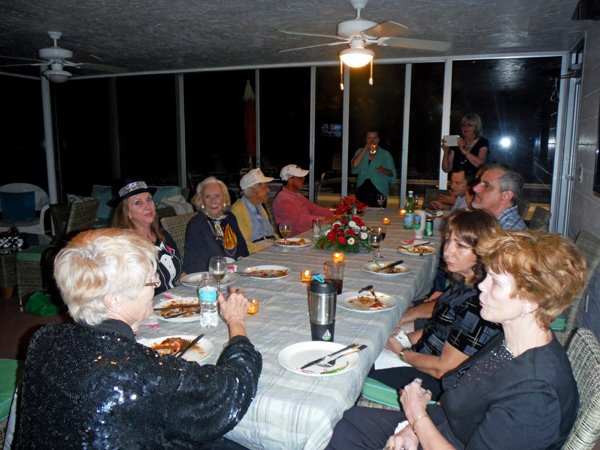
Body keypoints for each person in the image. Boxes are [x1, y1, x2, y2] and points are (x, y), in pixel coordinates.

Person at [327, 230, 585, 450]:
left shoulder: (536, 392)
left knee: (342, 434)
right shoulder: (510, 343)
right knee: (341, 423)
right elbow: (461, 405)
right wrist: (412, 428)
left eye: (495, 282)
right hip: (444, 429)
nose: (482, 285)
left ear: (531, 301)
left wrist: (417, 416)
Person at [14, 228, 262, 449]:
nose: (156, 285)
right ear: (113, 300)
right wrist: (236, 322)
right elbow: (230, 390)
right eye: (151, 280)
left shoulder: (43, 339)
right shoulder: (136, 370)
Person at [368, 209, 503, 399]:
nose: (447, 251)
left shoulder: (477, 304)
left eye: (461, 246)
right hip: (423, 356)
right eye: (448, 241)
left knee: (361, 360)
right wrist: (406, 337)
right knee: (371, 336)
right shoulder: (467, 282)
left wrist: (402, 352)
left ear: (483, 251)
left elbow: (445, 370)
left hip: (438, 383)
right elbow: (443, 329)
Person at [111, 178, 182, 294]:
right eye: (138, 202)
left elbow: (178, 275)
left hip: (175, 303)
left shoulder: (163, 236)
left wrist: (198, 283)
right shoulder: (125, 248)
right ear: (127, 213)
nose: (148, 206)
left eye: (149, 199)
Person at [183, 177, 249, 273]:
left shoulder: (230, 217)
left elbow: (243, 249)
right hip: (211, 276)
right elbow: (191, 265)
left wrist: (240, 262)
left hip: (236, 271)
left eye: (217, 196)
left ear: (224, 199)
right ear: (201, 200)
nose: (213, 201)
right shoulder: (196, 225)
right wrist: (221, 267)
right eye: (208, 196)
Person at [273, 164, 338, 237]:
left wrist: (337, 212)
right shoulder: (282, 199)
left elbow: (315, 209)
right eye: (300, 177)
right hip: (297, 238)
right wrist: (325, 220)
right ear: (290, 180)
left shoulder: (297, 195)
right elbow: (299, 219)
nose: (303, 178)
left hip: (308, 233)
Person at [230, 168, 277, 254]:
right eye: (265, 187)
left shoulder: (259, 207)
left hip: (272, 246)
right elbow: (245, 244)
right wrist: (271, 251)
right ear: (254, 189)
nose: (268, 190)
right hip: (258, 251)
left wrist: (282, 244)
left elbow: (272, 233)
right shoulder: (237, 210)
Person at [472, 162, 528, 230]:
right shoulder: (493, 223)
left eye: (487, 185)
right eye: (479, 182)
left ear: (505, 197)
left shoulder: (508, 235)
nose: (475, 188)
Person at [351, 130, 397, 207]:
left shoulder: (385, 154)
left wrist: (384, 170)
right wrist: (365, 148)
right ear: (366, 139)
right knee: (361, 214)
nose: (372, 140)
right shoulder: (360, 151)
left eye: (374, 138)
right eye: (369, 138)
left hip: (379, 190)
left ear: (378, 139)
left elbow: (392, 174)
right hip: (362, 189)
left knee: (378, 215)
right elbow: (355, 165)